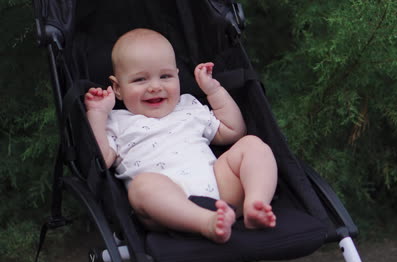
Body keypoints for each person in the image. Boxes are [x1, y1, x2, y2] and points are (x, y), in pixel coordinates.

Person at [84, 28, 278, 243]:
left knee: (252, 145)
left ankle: (256, 204)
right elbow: (102, 159)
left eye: (165, 76)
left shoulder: (189, 106)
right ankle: (207, 223)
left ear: (177, 75)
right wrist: (97, 114)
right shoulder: (116, 121)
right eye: (140, 80)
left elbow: (233, 131)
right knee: (142, 186)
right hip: (166, 207)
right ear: (117, 88)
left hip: (221, 191)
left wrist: (214, 91)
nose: (155, 86)